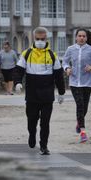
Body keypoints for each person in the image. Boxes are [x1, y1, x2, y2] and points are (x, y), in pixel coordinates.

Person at [15, 26, 66, 155]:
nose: (40, 41)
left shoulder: (52, 55)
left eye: (42, 39)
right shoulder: (26, 54)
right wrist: (18, 82)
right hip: (32, 94)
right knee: (31, 120)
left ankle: (44, 146)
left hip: (47, 95)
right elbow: (19, 70)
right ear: (33, 38)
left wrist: (61, 92)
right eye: (37, 39)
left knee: (45, 122)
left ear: (46, 39)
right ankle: (32, 134)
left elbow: (59, 75)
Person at [62, 28, 91, 143]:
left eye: (84, 36)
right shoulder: (70, 49)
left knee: (85, 107)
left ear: (87, 38)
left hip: (87, 82)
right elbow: (64, 62)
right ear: (76, 37)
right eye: (79, 36)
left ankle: (79, 123)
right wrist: (67, 68)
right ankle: (83, 132)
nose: (81, 38)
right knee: (79, 105)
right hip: (74, 82)